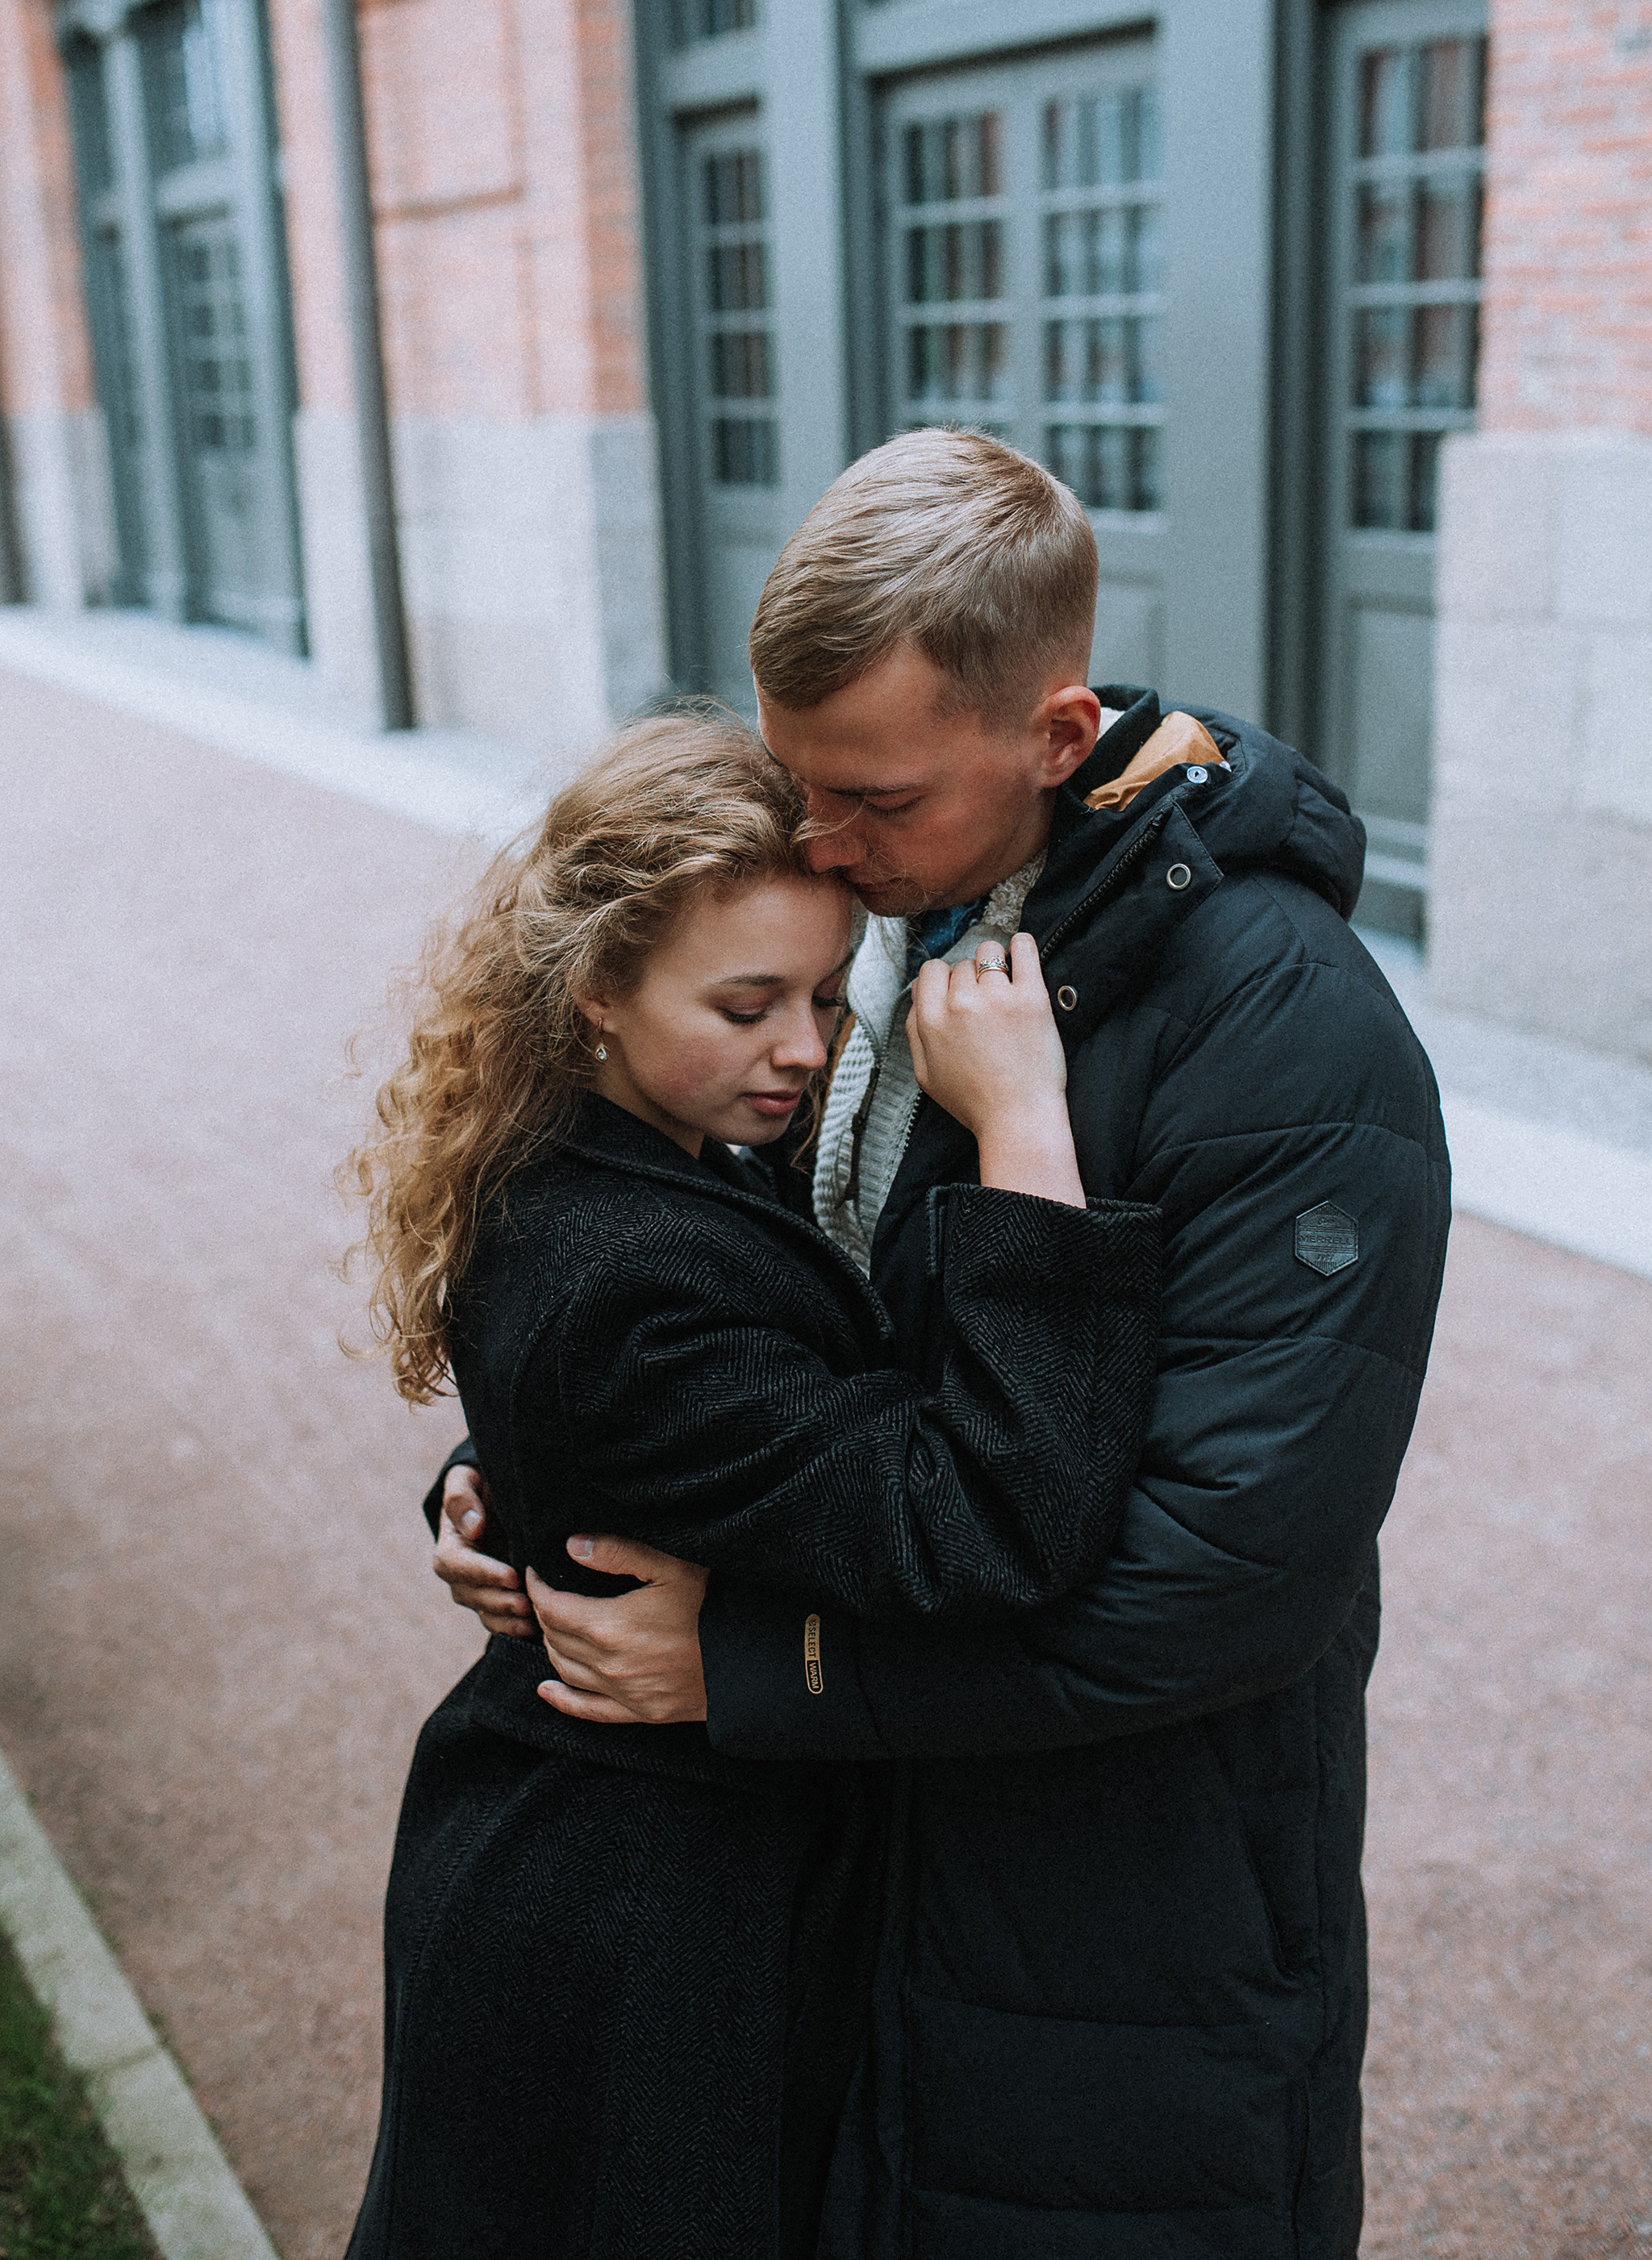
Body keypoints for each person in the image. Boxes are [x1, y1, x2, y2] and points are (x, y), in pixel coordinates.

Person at [433, 429, 1452, 2258]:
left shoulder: (1292, 1046)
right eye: (799, 782)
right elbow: (773, 1310)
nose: (815, 841)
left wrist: (757, 1665)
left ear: (1055, 740)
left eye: (873, 800)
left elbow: (1217, 1581)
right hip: (863, 1871)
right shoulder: (893, 910)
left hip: (1118, 1912)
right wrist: (551, 1456)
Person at [343, 711, 1162, 2260]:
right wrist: (1027, 1126)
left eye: (820, 992)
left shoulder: (613, 1154)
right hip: (639, 1935)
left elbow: (659, 1401)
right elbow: (984, 1517)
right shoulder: (631, 1263)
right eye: (746, 1003)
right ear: (594, 988)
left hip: (623, 1873)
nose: (804, 1046)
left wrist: (499, 1482)